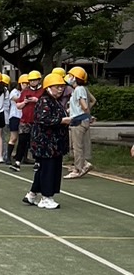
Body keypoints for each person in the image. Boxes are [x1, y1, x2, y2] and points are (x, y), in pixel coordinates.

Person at [23, 71, 70, 209]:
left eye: (62, 86)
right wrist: (62, 120)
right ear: (49, 87)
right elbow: (43, 119)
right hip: (46, 143)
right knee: (48, 170)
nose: (60, 89)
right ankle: (46, 197)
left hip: (53, 143)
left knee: (43, 169)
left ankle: (32, 194)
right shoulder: (45, 101)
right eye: (57, 86)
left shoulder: (54, 101)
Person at [65, 66, 95, 179]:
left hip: (79, 120)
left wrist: (87, 114)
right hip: (78, 120)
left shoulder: (79, 90)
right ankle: (84, 164)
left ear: (76, 78)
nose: (68, 77)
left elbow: (84, 105)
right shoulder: (77, 90)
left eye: (71, 76)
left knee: (77, 147)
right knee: (75, 146)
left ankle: (78, 169)